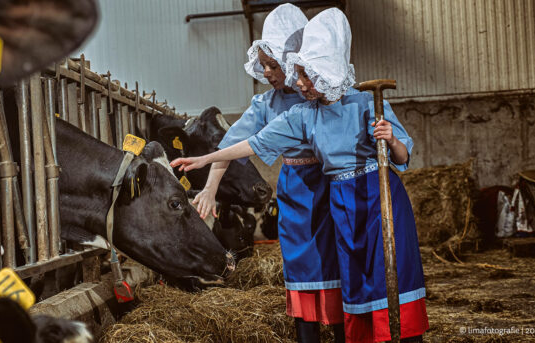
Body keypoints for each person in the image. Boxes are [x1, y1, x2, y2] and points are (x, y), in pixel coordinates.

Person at [172, 8, 428, 343]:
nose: (275, 75)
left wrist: (391, 139)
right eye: (294, 72)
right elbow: (247, 143)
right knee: (337, 273)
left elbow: (401, 154)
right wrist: (207, 168)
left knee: (378, 270)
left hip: (362, 193)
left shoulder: (362, 103)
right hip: (326, 195)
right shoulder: (294, 113)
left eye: (278, 66)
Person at [192, 4, 344, 342]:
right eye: (263, 66)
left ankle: (343, 332)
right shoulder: (266, 105)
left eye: (273, 65)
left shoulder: (327, 92)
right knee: (301, 266)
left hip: (333, 188)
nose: (268, 73)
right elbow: (228, 148)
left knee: (337, 264)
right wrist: (210, 189)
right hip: (295, 190)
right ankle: (308, 335)